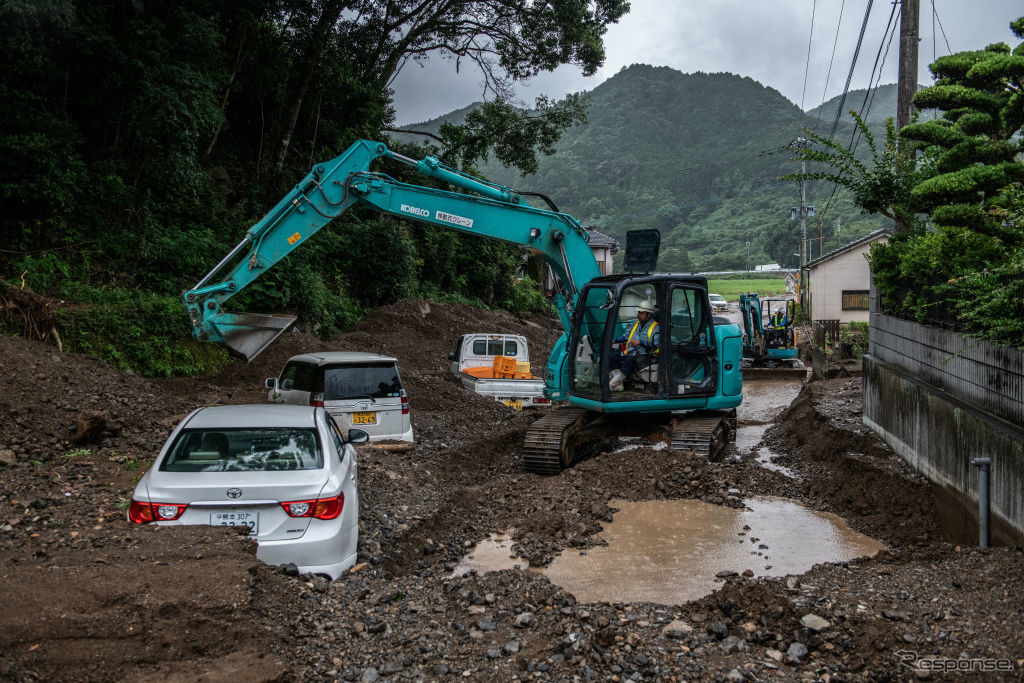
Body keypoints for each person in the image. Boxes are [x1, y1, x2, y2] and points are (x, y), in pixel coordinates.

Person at [609, 300, 659, 390]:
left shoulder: (655, 327)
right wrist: (614, 341)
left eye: (641, 313)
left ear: (649, 315)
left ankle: (613, 383)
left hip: (645, 356)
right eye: (638, 312)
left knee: (630, 359)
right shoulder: (636, 324)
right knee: (612, 357)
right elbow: (626, 337)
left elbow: (655, 346)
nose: (638, 314)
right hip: (630, 352)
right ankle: (619, 384)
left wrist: (641, 343)